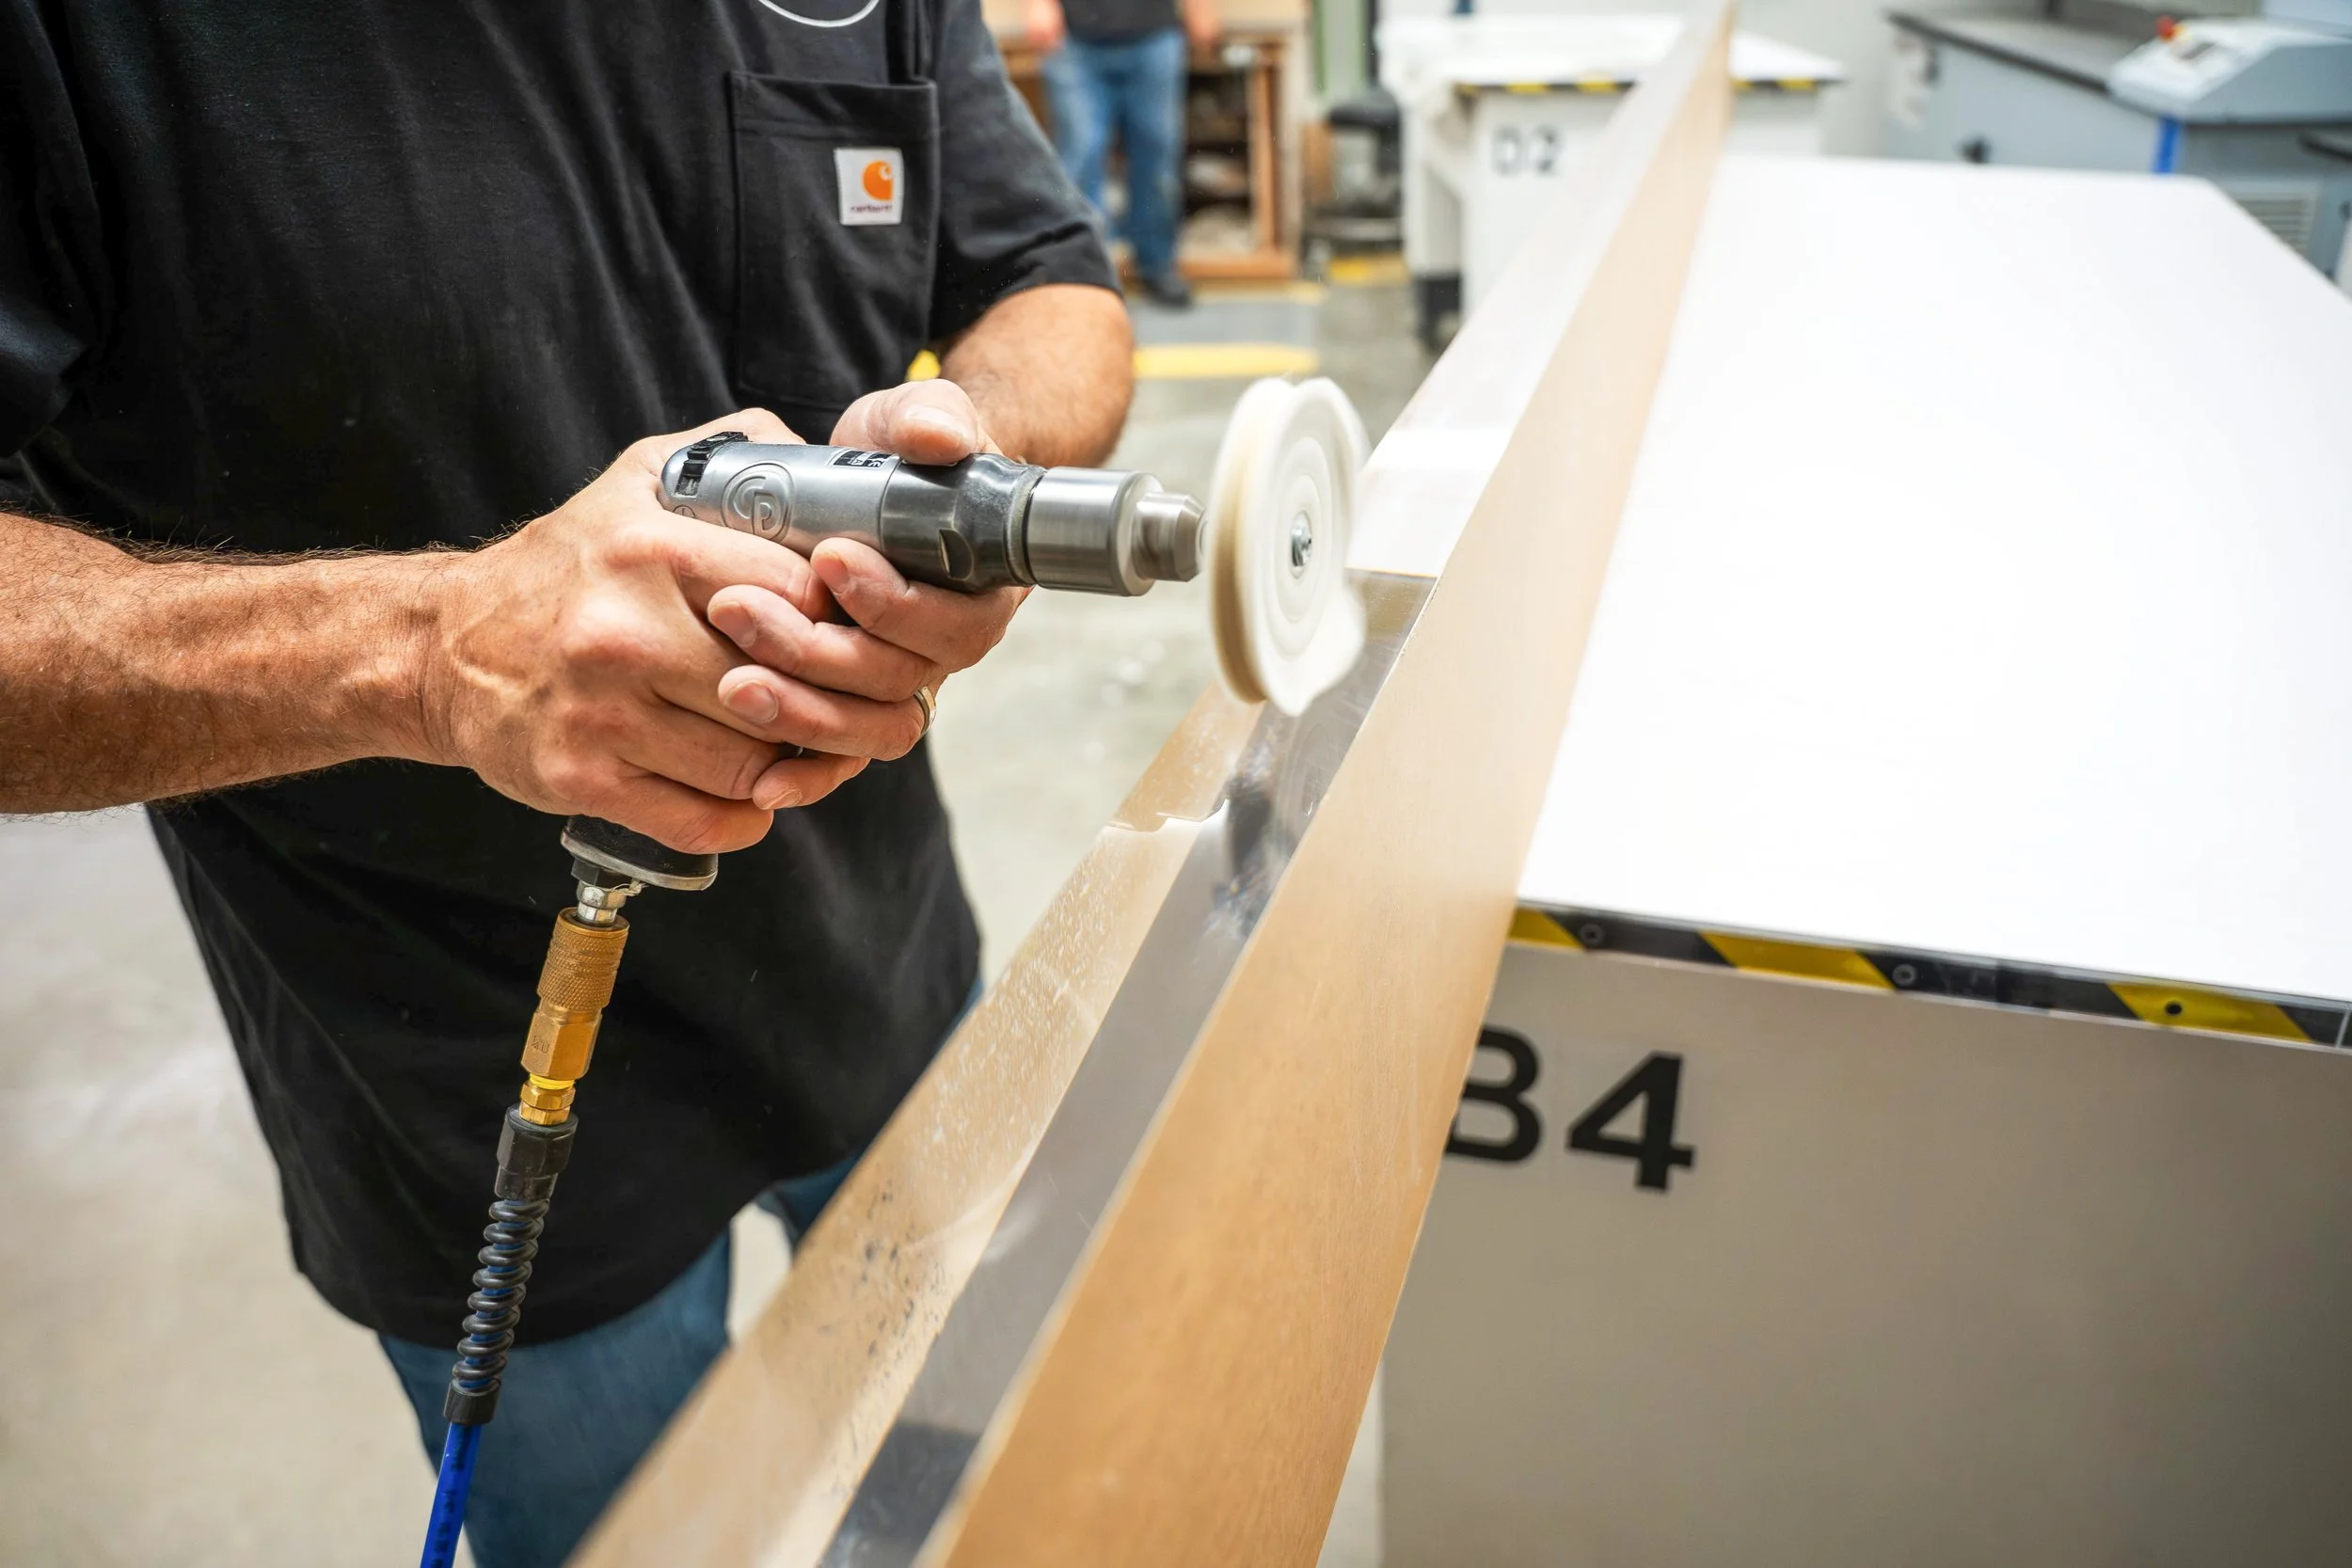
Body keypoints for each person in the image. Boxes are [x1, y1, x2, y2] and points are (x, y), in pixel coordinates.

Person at [0, 4, 1133, 1565]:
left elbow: (1052, 279)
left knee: (957, 1479)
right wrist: (428, 649)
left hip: (884, 975)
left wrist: (965, 462)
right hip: (460, 1081)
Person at [1026, 0, 1219, 308]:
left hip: (1155, 35)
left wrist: (1202, 9)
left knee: (1156, 155)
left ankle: (1157, 265)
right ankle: (1083, 272)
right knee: (1081, 153)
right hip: (1074, 37)